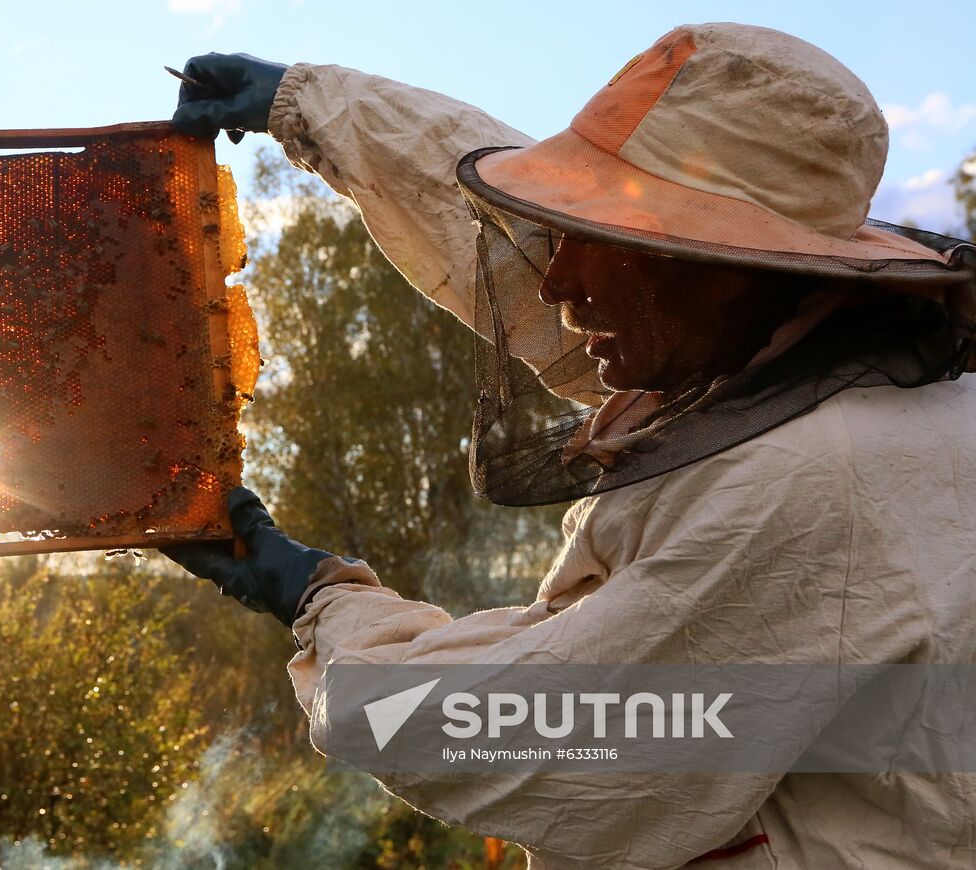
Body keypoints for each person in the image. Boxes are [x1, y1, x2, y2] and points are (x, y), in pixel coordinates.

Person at [164, 23, 976, 869]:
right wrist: (314, 106)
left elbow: (513, 734)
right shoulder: (777, 363)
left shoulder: (799, 484)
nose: (556, 280)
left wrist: (320, 599)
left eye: (603, 242)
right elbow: (514, 260)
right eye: (565, 233)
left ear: (727, 263)